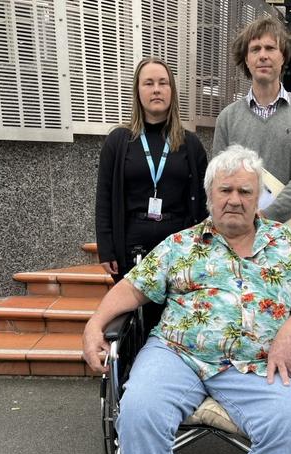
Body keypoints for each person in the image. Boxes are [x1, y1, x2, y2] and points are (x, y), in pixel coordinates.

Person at [84, 145, 291, 454]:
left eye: (245, 191)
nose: (234, 199)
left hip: (258, 360)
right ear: (210, 196)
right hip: (177, 355)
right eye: (225, 189)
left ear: (258, 199)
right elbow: (131, 288)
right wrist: (94, 324)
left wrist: (290, 333)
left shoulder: (286, 243)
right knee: (139, 411)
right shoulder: (181, 244)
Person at [95, 56, 208, 331]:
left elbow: (205, 201)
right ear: (138, 91)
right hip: (131, 245)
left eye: (163, 83)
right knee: (136, 320)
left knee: (174, 318)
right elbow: (104, 197)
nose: (156, 89)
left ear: (171, 92)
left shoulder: (190, 144)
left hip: (179, 245)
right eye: (148, 83)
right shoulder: (119, 141)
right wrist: (106, 248)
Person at [213, 16, 291, 243]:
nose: (263, 55)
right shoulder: (227, 118)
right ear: (247, 59)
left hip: (289, 233)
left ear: (283, 56)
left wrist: (264, 217)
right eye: (255, 49)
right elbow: (219, 180)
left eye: (270, 48)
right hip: (239, 236)